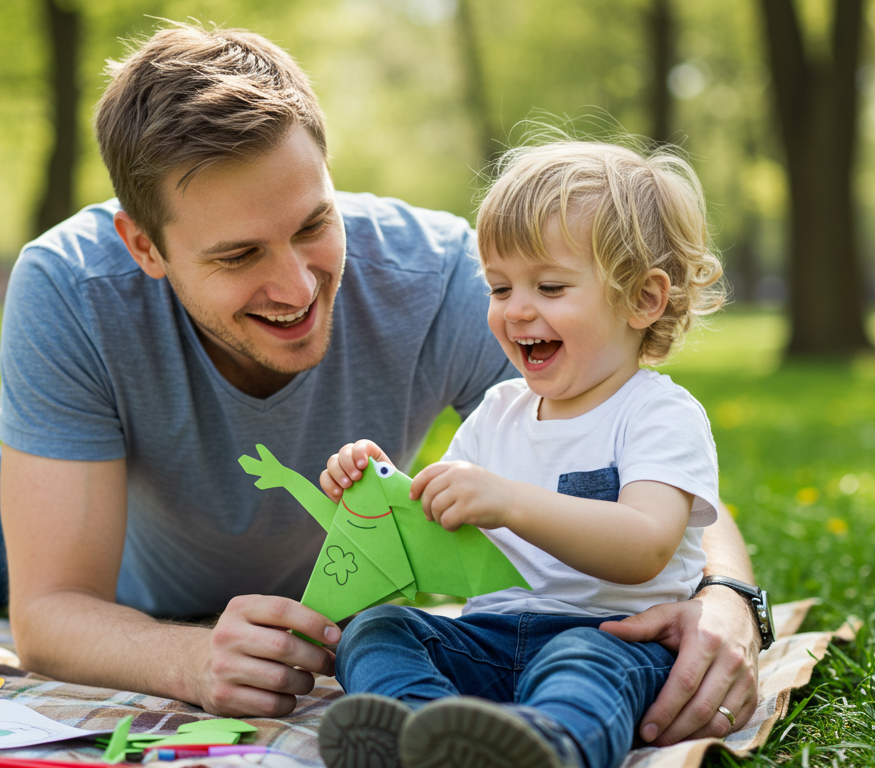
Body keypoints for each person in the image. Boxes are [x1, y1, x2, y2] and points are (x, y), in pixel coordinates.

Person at [0, 23, 764, 745]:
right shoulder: (71, 287)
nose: (295, 287)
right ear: (144, 245)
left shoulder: (450, 279)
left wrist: (725, 598)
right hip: (94, 516)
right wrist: (188, 658)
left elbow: (635, 458)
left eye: (311, 226)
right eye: (240, 254)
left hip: (292, 580)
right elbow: (51, 610)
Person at [314, 140, 735, 768]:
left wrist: (510, 501)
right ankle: (421, 731)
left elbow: (645, 544)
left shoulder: (659, 414)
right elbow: (440, 527)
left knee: (582, 667)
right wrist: (380, 490)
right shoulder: (499, 410)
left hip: (610, 637)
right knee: (376, 630)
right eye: (500, 287)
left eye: (551, 286)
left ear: (643, 300)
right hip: (489, 636)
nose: (517, 310)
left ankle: (547, 749)